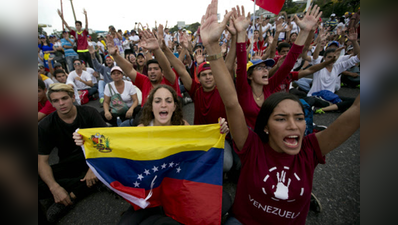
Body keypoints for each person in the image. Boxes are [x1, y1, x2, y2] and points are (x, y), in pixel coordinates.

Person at [199, 2, 360, 224]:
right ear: (266, 124)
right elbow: (231, 102)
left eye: (300, 118)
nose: (294, 125)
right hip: (243, 144)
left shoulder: (310, 149)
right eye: (281, 118)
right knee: (234, 165)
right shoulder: (253, 145)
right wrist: (213, 46)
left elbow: (358, 111)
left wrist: (304, 32)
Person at [73, 84, 229, 224]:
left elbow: (200, 151)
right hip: (150, 193)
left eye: (168, 101)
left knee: (222, 202)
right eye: (158, 101)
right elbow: (118, 150)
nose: (163, 105)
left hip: (177, 189)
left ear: (174, 107)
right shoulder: (142, 130)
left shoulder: (183, 127)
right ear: (151, 106)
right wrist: (86, 142)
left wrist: (219, 131)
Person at [38, 83, 107, 223]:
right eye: (56, 101)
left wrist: (92, 168)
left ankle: (72, 195)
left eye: (64, 98)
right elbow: (42, 161)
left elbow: (106, 146)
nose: (61, 103)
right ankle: (86, 186)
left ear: (73, 97)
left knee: (110, 165)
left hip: (93, 158)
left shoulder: (89, 113)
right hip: (69, 163)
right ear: (51, 103)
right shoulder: (46, 125)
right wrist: (54, 187)